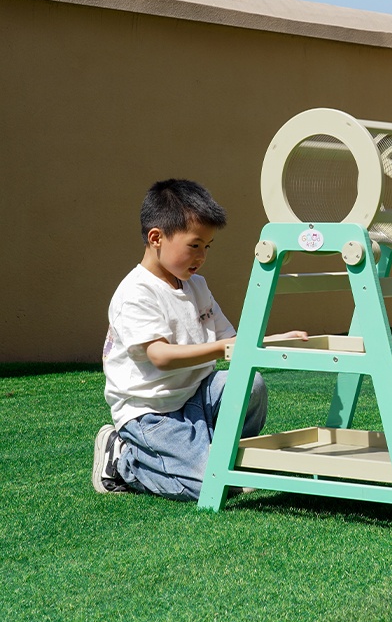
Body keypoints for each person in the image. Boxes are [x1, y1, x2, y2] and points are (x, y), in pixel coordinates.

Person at [93, 178, 306, 501]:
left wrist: (272, 340)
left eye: (207, 246)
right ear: (156, 238)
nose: (202, 256)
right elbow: (160, 356)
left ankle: (225, 455)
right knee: (212, 486)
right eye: (194, 245)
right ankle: (124, 459)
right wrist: (221, 349)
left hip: (197, 395)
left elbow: (232, 339)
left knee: (251, 384)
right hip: (152, 414)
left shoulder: (197, 286)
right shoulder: (135, 293)